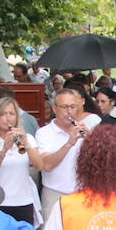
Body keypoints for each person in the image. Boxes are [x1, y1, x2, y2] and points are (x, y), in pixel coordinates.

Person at [35, 87, 101, 221]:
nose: (69, 111)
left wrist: (92, 142)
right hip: (55, 195)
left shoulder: (87, 130)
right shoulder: (44, 133)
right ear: (54, 108)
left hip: (83, 194)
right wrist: (69, 143)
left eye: (72, 106)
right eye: (64, 107)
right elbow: (46, 164)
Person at [0, 95, 45, 225]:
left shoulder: (28, 138)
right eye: (3, 114)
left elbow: (39, 165)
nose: (8, 118)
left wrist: (27, 144)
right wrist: (4, 150)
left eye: (11, 114)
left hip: (24, 201)